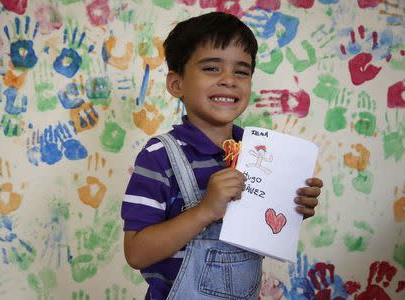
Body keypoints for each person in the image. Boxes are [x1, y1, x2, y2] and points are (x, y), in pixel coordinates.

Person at [121, 12, 323, 300]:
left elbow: (264, 232)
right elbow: (137, 253)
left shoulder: (261, 153)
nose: (229, 80)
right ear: (177, 84)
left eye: (241, 71)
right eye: (212, 68)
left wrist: (291, 207)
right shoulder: (159, 156)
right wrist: (205, 211)